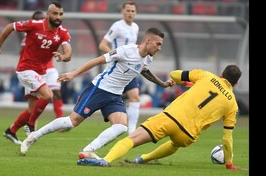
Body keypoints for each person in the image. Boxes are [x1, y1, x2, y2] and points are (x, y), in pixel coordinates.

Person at [20, 28, 175, 157]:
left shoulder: (148, 58)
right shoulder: (125, 51)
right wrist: (73, 73)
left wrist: (162, 84)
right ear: (148, 41)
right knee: (72, 122)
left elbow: (144, 71)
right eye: (158, 44)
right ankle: (35, 136)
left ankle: (88, 150)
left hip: (115, 95)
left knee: (121, 126)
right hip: (100, 89)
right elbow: (98, 60)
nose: (159, 48)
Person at [77, 65, 243, 170]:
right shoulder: (232, 105)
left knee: (133, 138)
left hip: (170, 118)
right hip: (188, 134)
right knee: (174, 144)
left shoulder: (206, 76)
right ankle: (143, 159)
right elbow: (227, 138)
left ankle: (106, 160)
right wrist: (229, 163)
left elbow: (175, 74)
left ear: (221, 74)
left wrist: (185, 82)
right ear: (235, 84)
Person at [0, 1, 72, 145]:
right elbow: (9, 27)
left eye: (61, 14)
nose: (58, 17)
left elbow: (68, 52)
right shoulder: (35, 25)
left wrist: (64, 56)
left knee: (32, 108)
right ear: (48, 14)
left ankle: (11, 131)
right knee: (49, 95)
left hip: (41, 72)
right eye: (55, 13)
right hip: (26, 69)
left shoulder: (62, 32)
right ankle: (31, 125)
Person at [98, 1, 140, 136]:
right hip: (116, 68)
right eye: (128, 10)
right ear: (122, 12)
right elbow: (103, 45)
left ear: (136, 12)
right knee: (115, 95)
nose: (130, 13)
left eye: (133, 11)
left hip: (130, 68)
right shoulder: (117, 26)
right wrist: (115, 55)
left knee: (136, 97)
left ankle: (132, 131)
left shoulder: (135, 27)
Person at [20, 10, 66, 135]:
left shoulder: (55, 31)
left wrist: (62, 54)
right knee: (33, 105)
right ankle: (21, 127)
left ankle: (59, 123)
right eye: (39, 19)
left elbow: (63, 43)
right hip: (32, 70)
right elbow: (22, 52)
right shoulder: (29, 35)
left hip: (49, 69)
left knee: (56, 93)